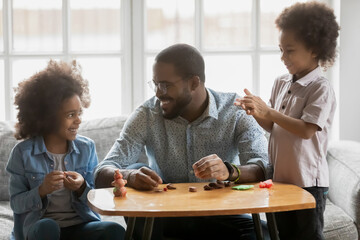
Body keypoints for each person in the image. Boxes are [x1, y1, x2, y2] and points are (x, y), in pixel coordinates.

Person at [95, 43, 270, 240]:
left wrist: (229, 171)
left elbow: (263, 166)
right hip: (162, 216)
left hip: (222, 214)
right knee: (135, 168)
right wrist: (130, 175)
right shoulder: (146, 114)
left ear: (194, 83)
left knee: (264, 234)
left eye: (165, 85)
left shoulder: (235, 111)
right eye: (155, 84)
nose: (158, 93)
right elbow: (103, 171)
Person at [235, 2, 340, 239]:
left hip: (308, 183)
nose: (283, 57)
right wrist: (258, 113)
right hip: (281, 179)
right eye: (280, 49)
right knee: (283, 234)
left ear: (314, 49)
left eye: (289, 50)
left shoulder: (320, 88)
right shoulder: (281, 82)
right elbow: (273, 127)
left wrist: (269, 111)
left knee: (308, 235)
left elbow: (306, 131)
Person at [6, 60, 125, 240]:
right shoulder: (23, 153)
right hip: (41, 229)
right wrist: (41, 190)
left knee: (114, 231)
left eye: (79, 113)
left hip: (80, 225)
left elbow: (96, 200)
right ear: (47, 117)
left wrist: (81, 187)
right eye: (70, 115)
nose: (78, 120)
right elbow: (16, 204)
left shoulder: (87, 148)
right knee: (48, 227)